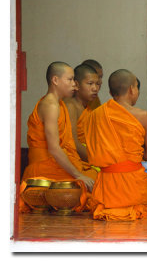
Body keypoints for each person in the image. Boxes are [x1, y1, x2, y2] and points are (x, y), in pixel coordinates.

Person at [20, 62, 96, 212]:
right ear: (55, 80)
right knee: (96, 184)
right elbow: (54, 149)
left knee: (98, 177)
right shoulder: (51, 105)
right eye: (70, 79)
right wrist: (79, 175)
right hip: (43, 167)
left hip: (55, 163)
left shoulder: (59, 104)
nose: (74, 84)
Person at [85, 69, 147, 221]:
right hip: (133, 188)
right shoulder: (143, 116)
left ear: (111, 92)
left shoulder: (96, 115)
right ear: (132, 89)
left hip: (106, 190)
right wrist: (133, 153)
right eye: (137, 87)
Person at [64, 64, 100, 162]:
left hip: (88, 156)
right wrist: (97, 160)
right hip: (75, 160)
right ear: (77, 85)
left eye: (97, 84)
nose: (95, 88)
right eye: (90, 83)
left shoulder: (88, 109)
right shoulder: (70, 106)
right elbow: (73, 142)